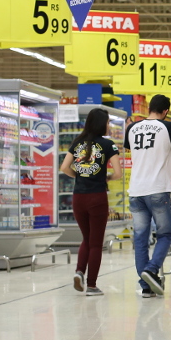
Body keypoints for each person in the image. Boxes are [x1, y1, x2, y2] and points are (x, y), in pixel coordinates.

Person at [125, 94, 171, 298]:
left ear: (149, 108)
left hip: (136, 191)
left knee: (140, 238)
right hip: (157, 190)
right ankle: (151, 269)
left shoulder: (132, 129)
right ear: (165, 111)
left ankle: (145, 286)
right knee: (165, 234)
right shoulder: (170, 127)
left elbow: (134, 153)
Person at [59, 108, 122, 296]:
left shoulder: (77, 143)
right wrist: (107, 178)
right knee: (96, 243)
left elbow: (64, 167)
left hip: (78, 197)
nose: (109, 125)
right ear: (102, 123)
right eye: (108, 122)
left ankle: (79, 271)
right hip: (97, 197)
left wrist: (79, 175)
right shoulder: (108, 145)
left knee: (86, 239)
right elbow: (118, 173)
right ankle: (92, 285)